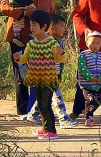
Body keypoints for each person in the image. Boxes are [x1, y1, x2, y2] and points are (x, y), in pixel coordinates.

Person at [0, 0, 56, 115]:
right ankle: (23, 111)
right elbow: (3, 6)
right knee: (21, 75)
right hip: (18, 36)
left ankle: (37, 111)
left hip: (40, 41)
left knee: (39, 75)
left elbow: (51, 14)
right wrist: (23, 13)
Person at [13, 10, 66, 140]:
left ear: (44, 26)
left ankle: (51, 131)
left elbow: (60, 59)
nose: (31, 28)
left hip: (48, 80)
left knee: (45, 105)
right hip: (36, 79)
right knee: (41, 105)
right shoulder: (31, 44)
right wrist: (18, 58)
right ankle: (45, 128)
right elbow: (25, 58)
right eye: (30, 25)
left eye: (34, 25)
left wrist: (61, 53)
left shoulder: (52, 43)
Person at [22, 15, 78, 128]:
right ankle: (63, 119)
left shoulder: (58, 41)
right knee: (57, 98)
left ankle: (32, 115)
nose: (64, 29)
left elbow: (60, 60)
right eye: (61, 27)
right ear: (51, 28)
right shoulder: (45, 42)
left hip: (54, 75)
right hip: (47, 75)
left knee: (46, 98)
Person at [77, 31, 101, 126]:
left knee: (100, 99)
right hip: (87, 84)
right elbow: (82, 68)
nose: (95, 46)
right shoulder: (83, 55)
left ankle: (87, 110)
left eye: (98, 43)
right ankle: (89, 118)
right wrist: (91, 77)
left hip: (98, 83)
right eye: (92, 43)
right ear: (87, 43)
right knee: (90, 100)